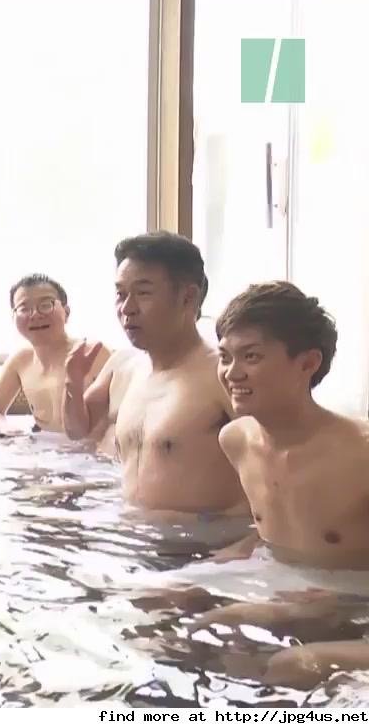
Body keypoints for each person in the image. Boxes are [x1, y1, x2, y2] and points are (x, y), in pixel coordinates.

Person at [192, 281, 369, 688]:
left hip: (355, 605)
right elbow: (274, 530)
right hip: (305, 594)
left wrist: (337, 602)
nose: (232, 373)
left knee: (295, 665)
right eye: (225, 357)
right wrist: (195, 575)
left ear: (307, 363)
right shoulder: (237, 441)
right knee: (203, 629)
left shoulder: (361, 454)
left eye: (251, 356)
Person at [62, 232, 245, 514]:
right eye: (120, 294)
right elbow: (77, 431)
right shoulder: (123, 366)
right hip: (131, 532)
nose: (127, 308)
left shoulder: (224, 376)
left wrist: (244, 539)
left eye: (143, 293)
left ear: (188, 297)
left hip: (203, 538)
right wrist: (72, 383)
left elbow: (276, 470)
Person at [0, 274, 110, 435]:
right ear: (13, 317)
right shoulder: (21, 360)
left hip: (92, 448)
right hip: (45, 447)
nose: (35, 314)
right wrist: (6, 428)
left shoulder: (92, 354)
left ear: (66, 312)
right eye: (24, 309)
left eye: (46, 305)